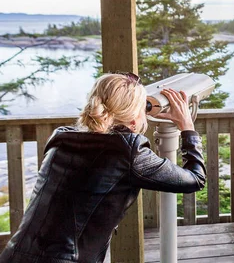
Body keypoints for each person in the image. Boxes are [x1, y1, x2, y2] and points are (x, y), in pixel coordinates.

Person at [0, 72, 206, 263]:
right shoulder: (128, 150)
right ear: (134, 119)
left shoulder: (61, 137)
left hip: (13, 255)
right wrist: (188, 128)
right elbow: (195, 179)